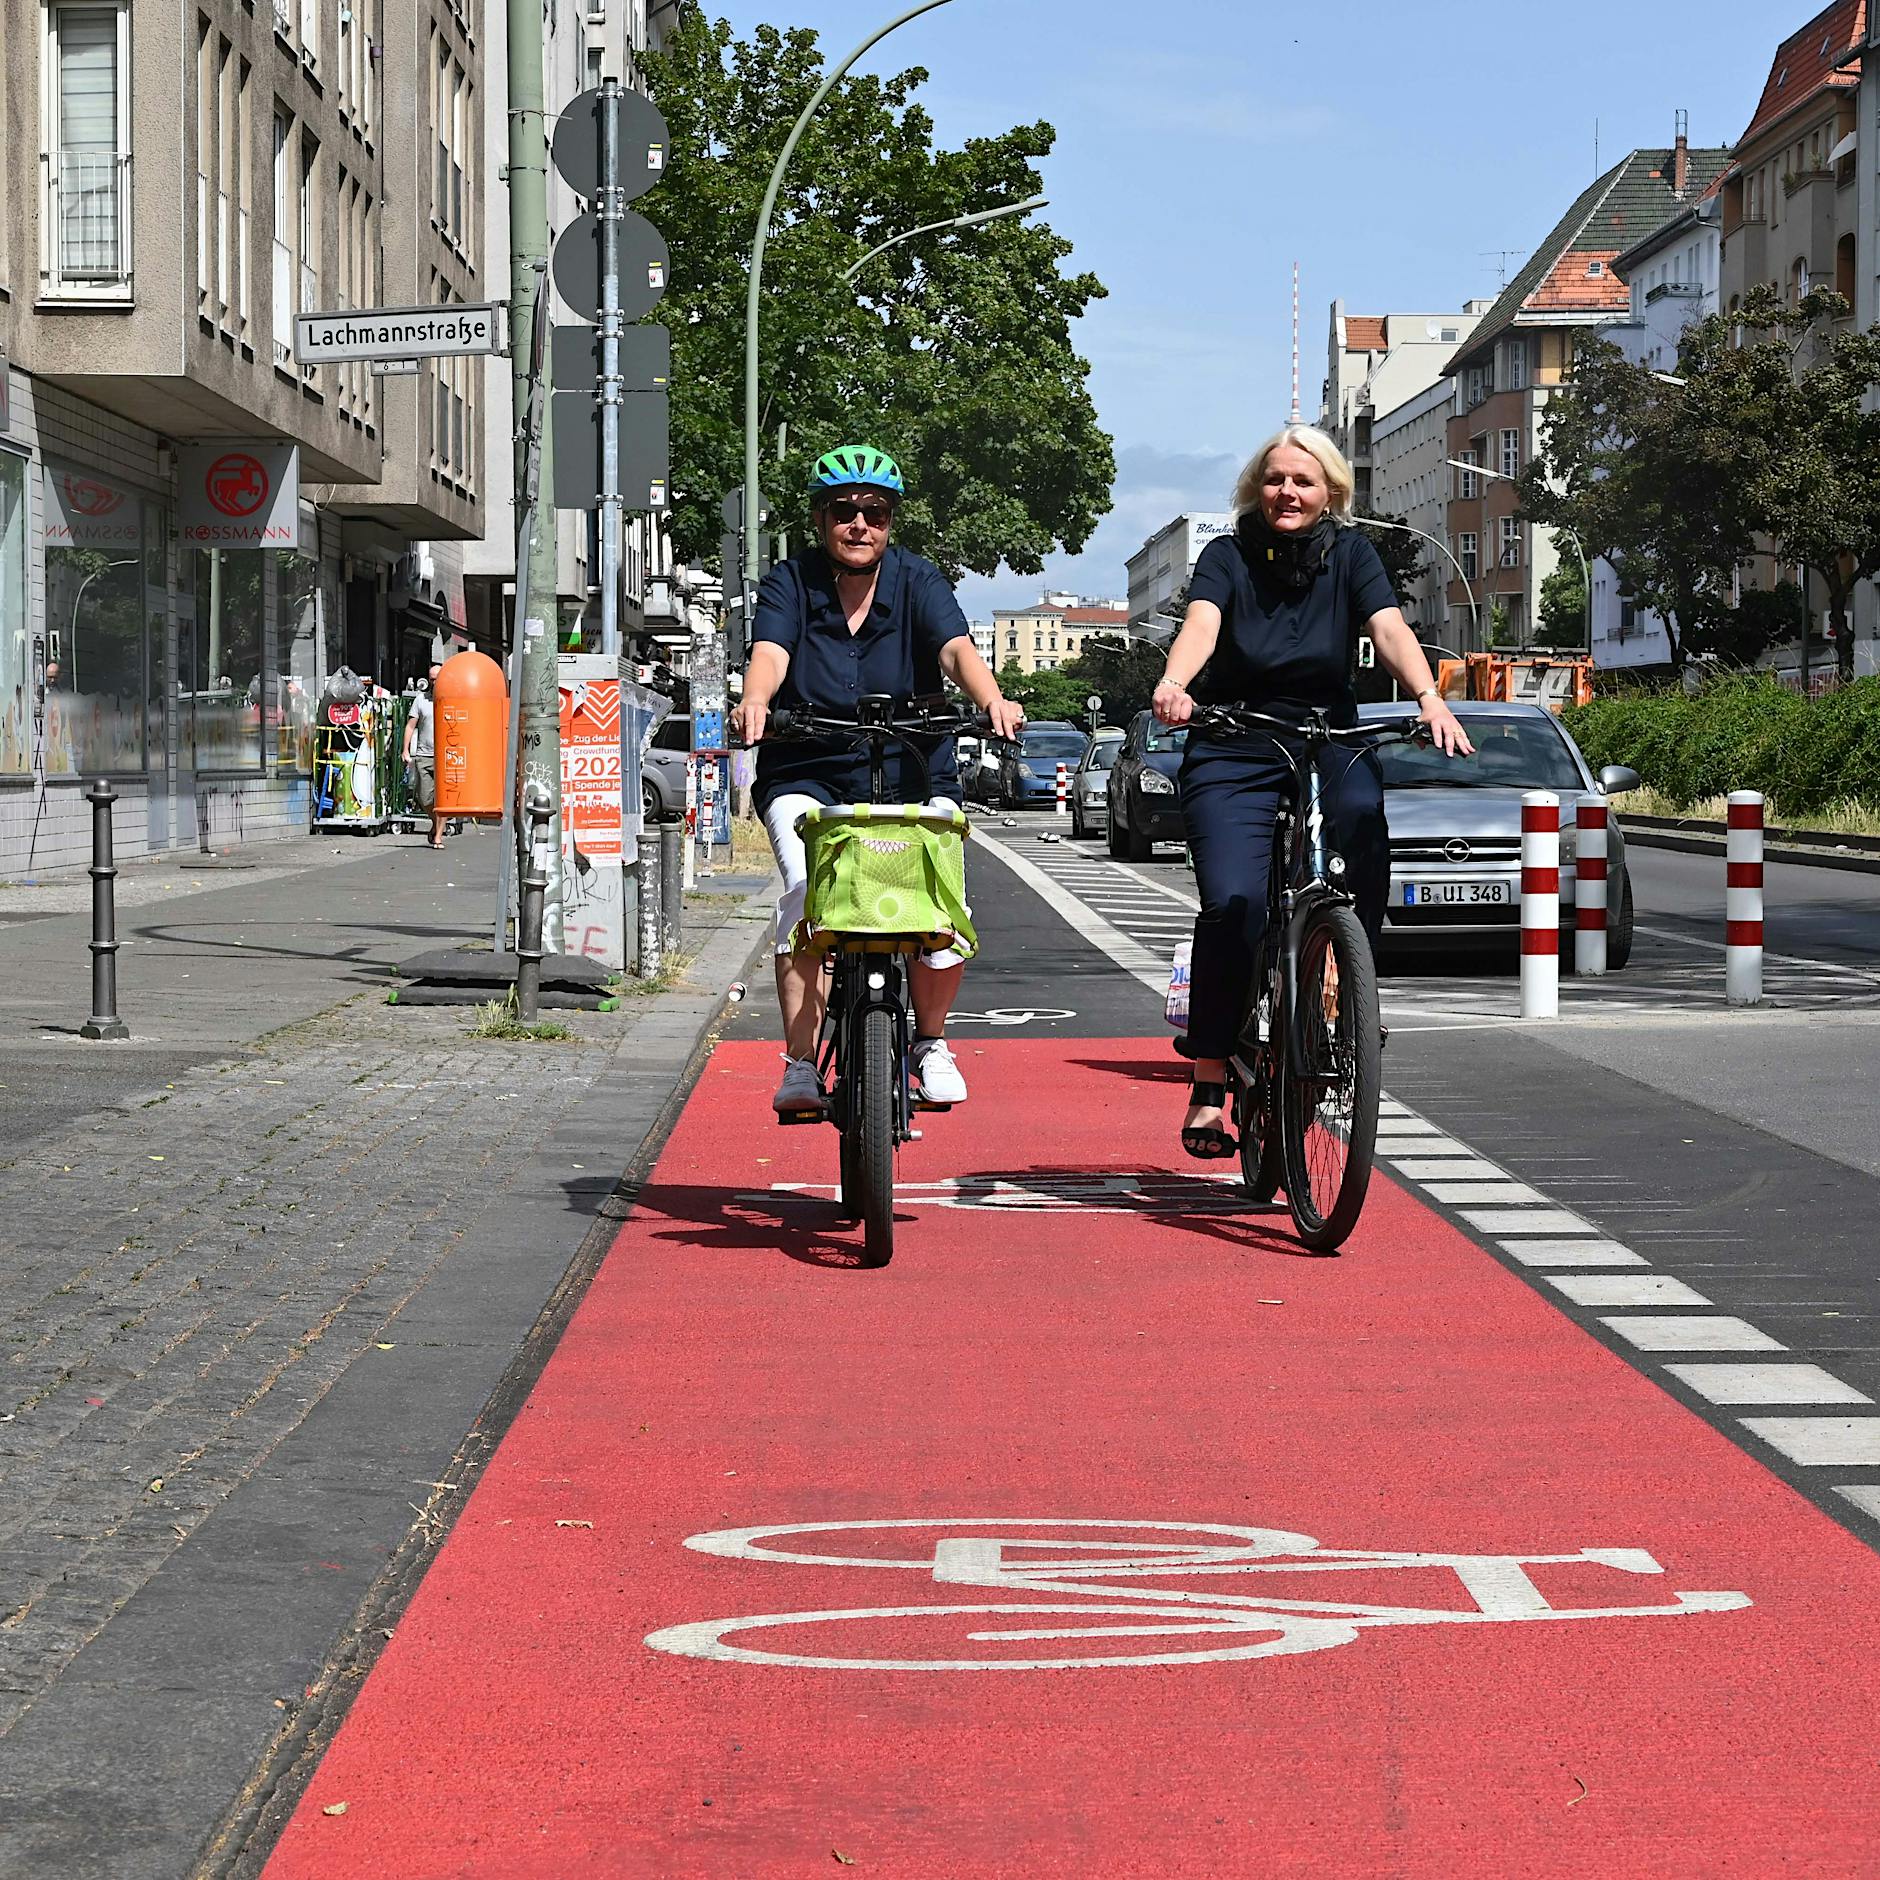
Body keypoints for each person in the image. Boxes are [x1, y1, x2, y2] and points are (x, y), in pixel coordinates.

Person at [1151, 423, 1472, 1159]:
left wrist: (1428, 694)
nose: (1287, 492)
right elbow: (1204, 623)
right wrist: (1174, 682)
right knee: (1232, 902)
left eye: (1302, 481)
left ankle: (1348, 980)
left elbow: (1388, 627)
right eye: (1274, 480)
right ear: (1254, 489)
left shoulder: (1353, 554)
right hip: (1234, 736)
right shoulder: (1226, 556)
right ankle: (1207, 1083)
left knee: (1362, 820)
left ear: (1331, 492)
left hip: (1327, 732)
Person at [729, 445, 1024, 1117]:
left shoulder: (919, 581)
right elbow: (770, 653)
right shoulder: (789, 582)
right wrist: (755, 702)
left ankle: (930, 1043)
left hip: (913, 769)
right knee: (809, 892)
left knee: (942, 905)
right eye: (844, 511)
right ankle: (800, 1064)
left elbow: (955, 649)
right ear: (819, 518)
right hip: (810, 768)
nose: (860, 524)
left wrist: (994, 699)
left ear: (890, 522)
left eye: (876, 513)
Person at [402, 662, 446, 848]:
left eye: (437, 679)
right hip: (424, 755)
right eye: (431, 679)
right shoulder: (421, 700)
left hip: (446, 756)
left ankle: (438, 836)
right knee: (424, 797)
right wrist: (405, 750)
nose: (434, 682)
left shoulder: (451, 698)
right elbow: (411, 725)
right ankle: (436, 824)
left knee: (443, 800)